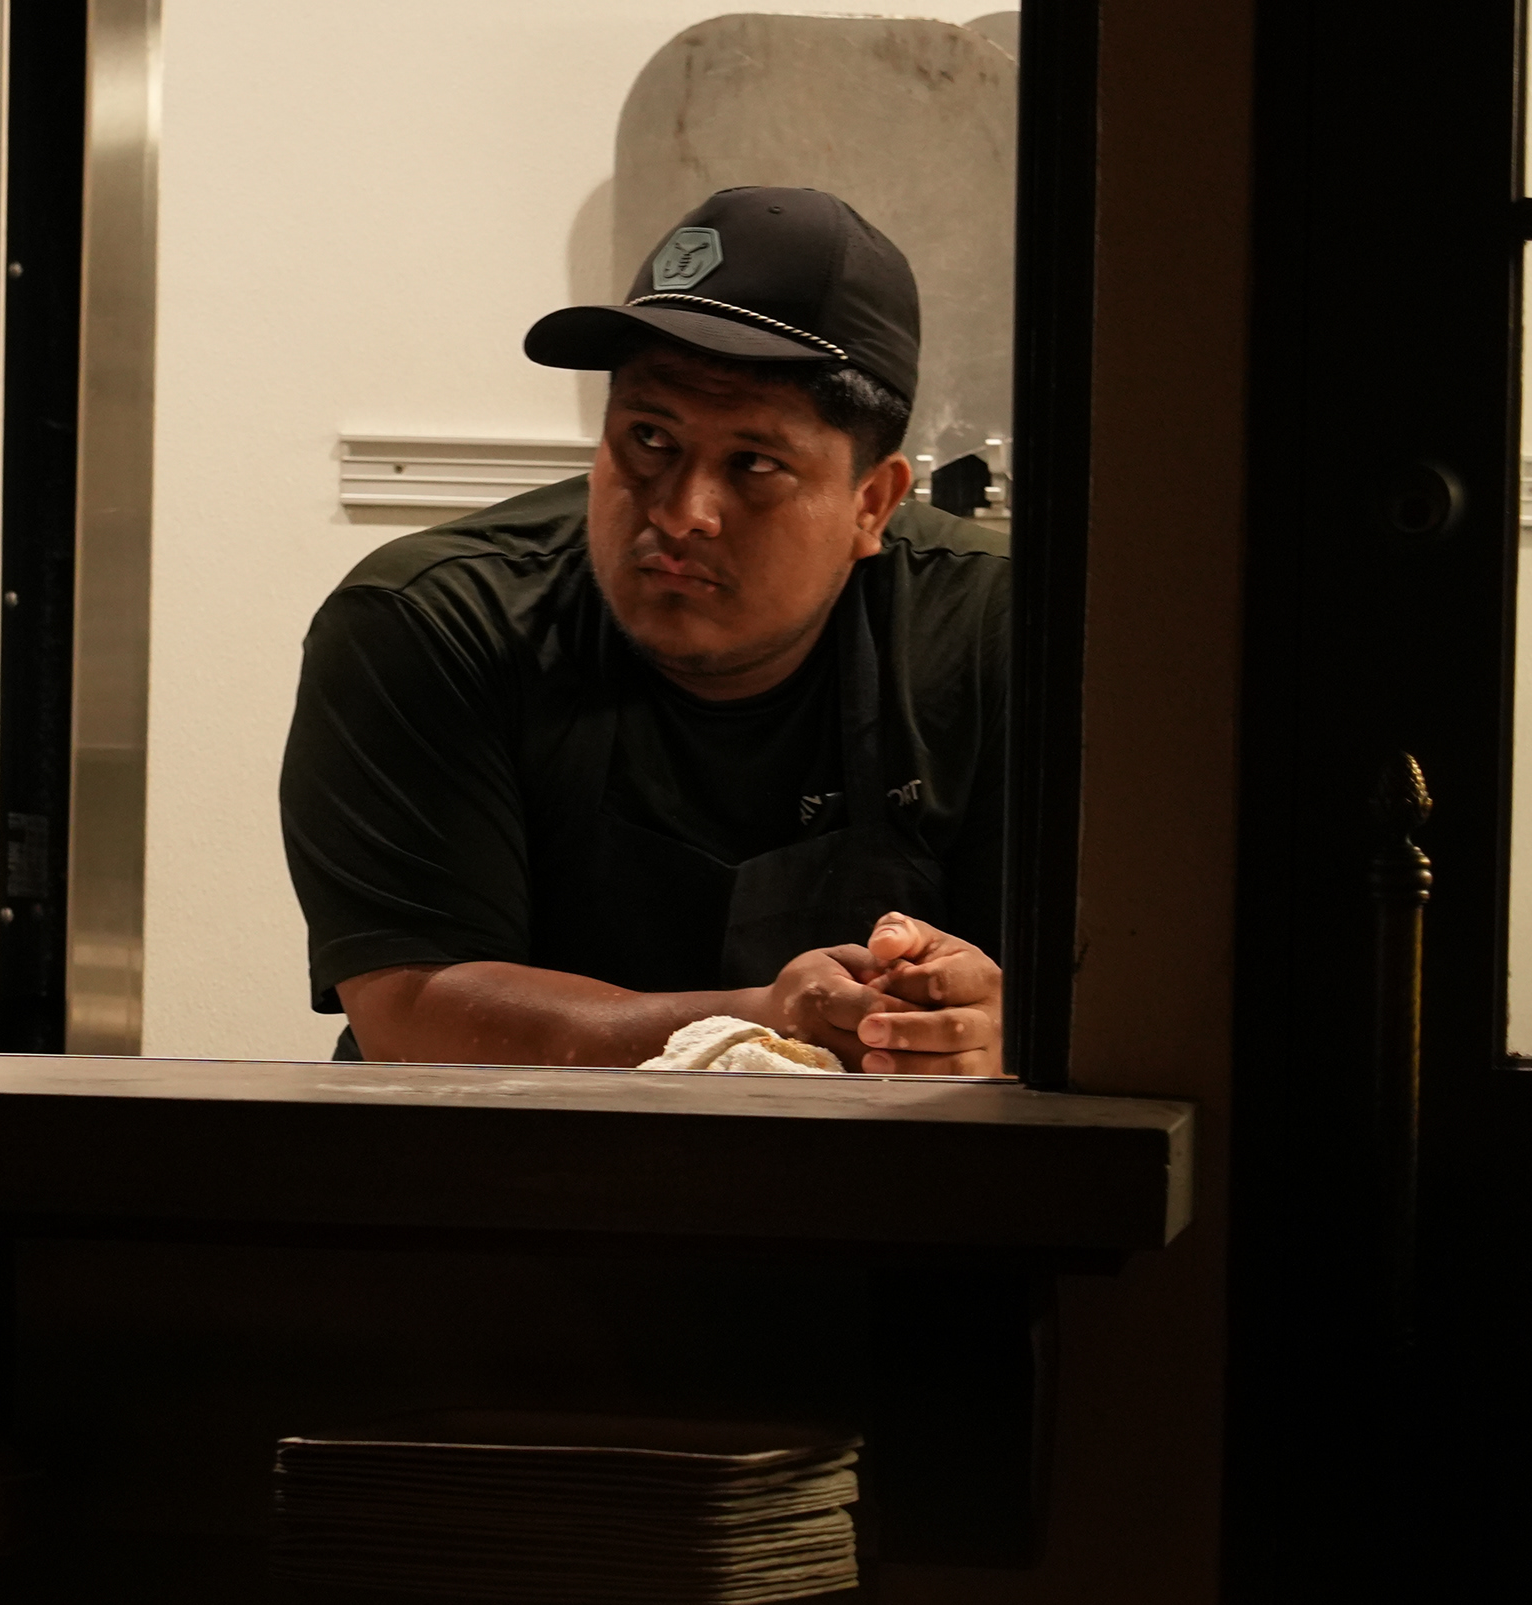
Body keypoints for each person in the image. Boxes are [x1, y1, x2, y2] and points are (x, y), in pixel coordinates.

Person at [280, 186, 1011, 1075]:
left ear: (872, 503)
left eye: (754, 463)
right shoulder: (433, 622)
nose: (682, 511)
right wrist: (759, 1025)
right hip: (492, 1151)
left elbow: (1093, 983)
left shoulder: (998, 633)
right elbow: (410, 1011)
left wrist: (978, 1021)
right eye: (650, 438)